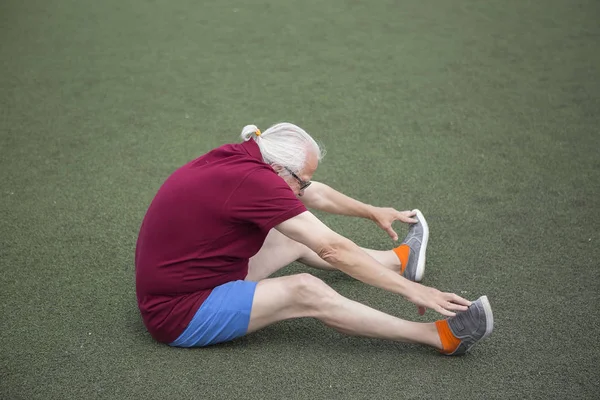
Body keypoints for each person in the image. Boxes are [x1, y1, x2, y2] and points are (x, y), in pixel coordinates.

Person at [135, 122, 493, 355]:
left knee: (290, 236)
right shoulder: (255, 181)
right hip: (179, 312)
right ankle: (439, 336)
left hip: (200, 277)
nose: (302, 188)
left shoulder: (248, 157)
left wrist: (371, 211)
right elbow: (332, 247)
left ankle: (400, 261)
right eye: (300, 179)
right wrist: (413, 293)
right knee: (307, 290)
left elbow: (311, 194)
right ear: (277, 168)